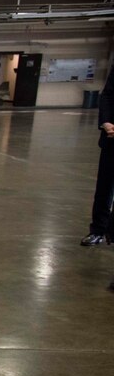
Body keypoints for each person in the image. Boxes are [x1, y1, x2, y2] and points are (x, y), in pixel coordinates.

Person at [81, 64, 114, 247]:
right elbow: (107, 95)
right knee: (104, 188)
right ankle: (98, 231)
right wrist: (106, 122)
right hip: (111, 139)